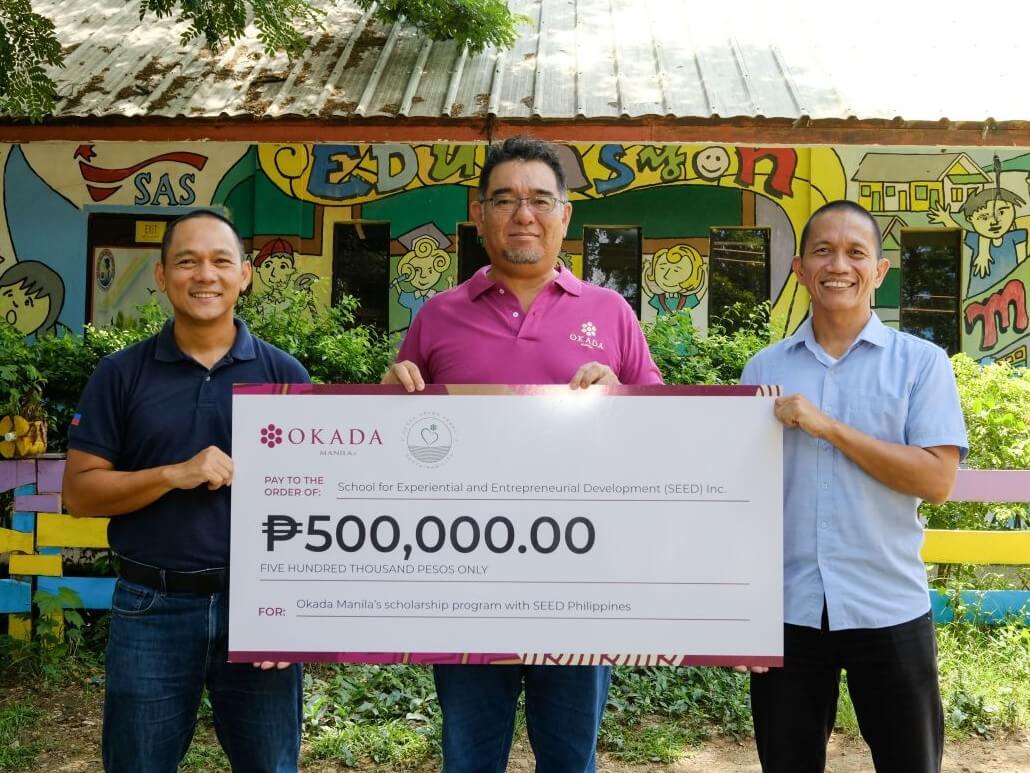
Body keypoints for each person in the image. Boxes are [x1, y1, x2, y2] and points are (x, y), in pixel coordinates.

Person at [382, 135, 663, 773]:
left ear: (566, 214)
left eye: (540, 200)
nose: (523, 215)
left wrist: (620, 399)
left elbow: (659, 438)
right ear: (478, 214)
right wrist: (391, 397)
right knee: (469, 758)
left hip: (578, 580)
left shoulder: (612, 313)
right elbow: (398, 450)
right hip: (464, 579)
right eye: (504, 200)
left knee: (569, 760)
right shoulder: (439, 315)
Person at [62, 210, 309, 773]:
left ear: (245, 274)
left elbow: (314, 506)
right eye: (188, 261)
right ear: (160, 274)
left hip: (260, 606)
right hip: (152, 605)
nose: (206, 274)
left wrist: (294, 617)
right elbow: (81, 493)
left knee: (271, 765)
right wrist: (173, 474)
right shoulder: (120, 375)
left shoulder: (284, 375)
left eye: (222, 261)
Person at [739, 200, 968, 773]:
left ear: (879, 269)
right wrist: (735, 610)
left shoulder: (921, 364)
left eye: (854, 252)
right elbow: (740, 499)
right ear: (798, 267)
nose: (838, 264)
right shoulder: (764, 369)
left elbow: (937, 479)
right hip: (788, 612)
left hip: (888, 606)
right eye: (822, 250)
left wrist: (830, 429)